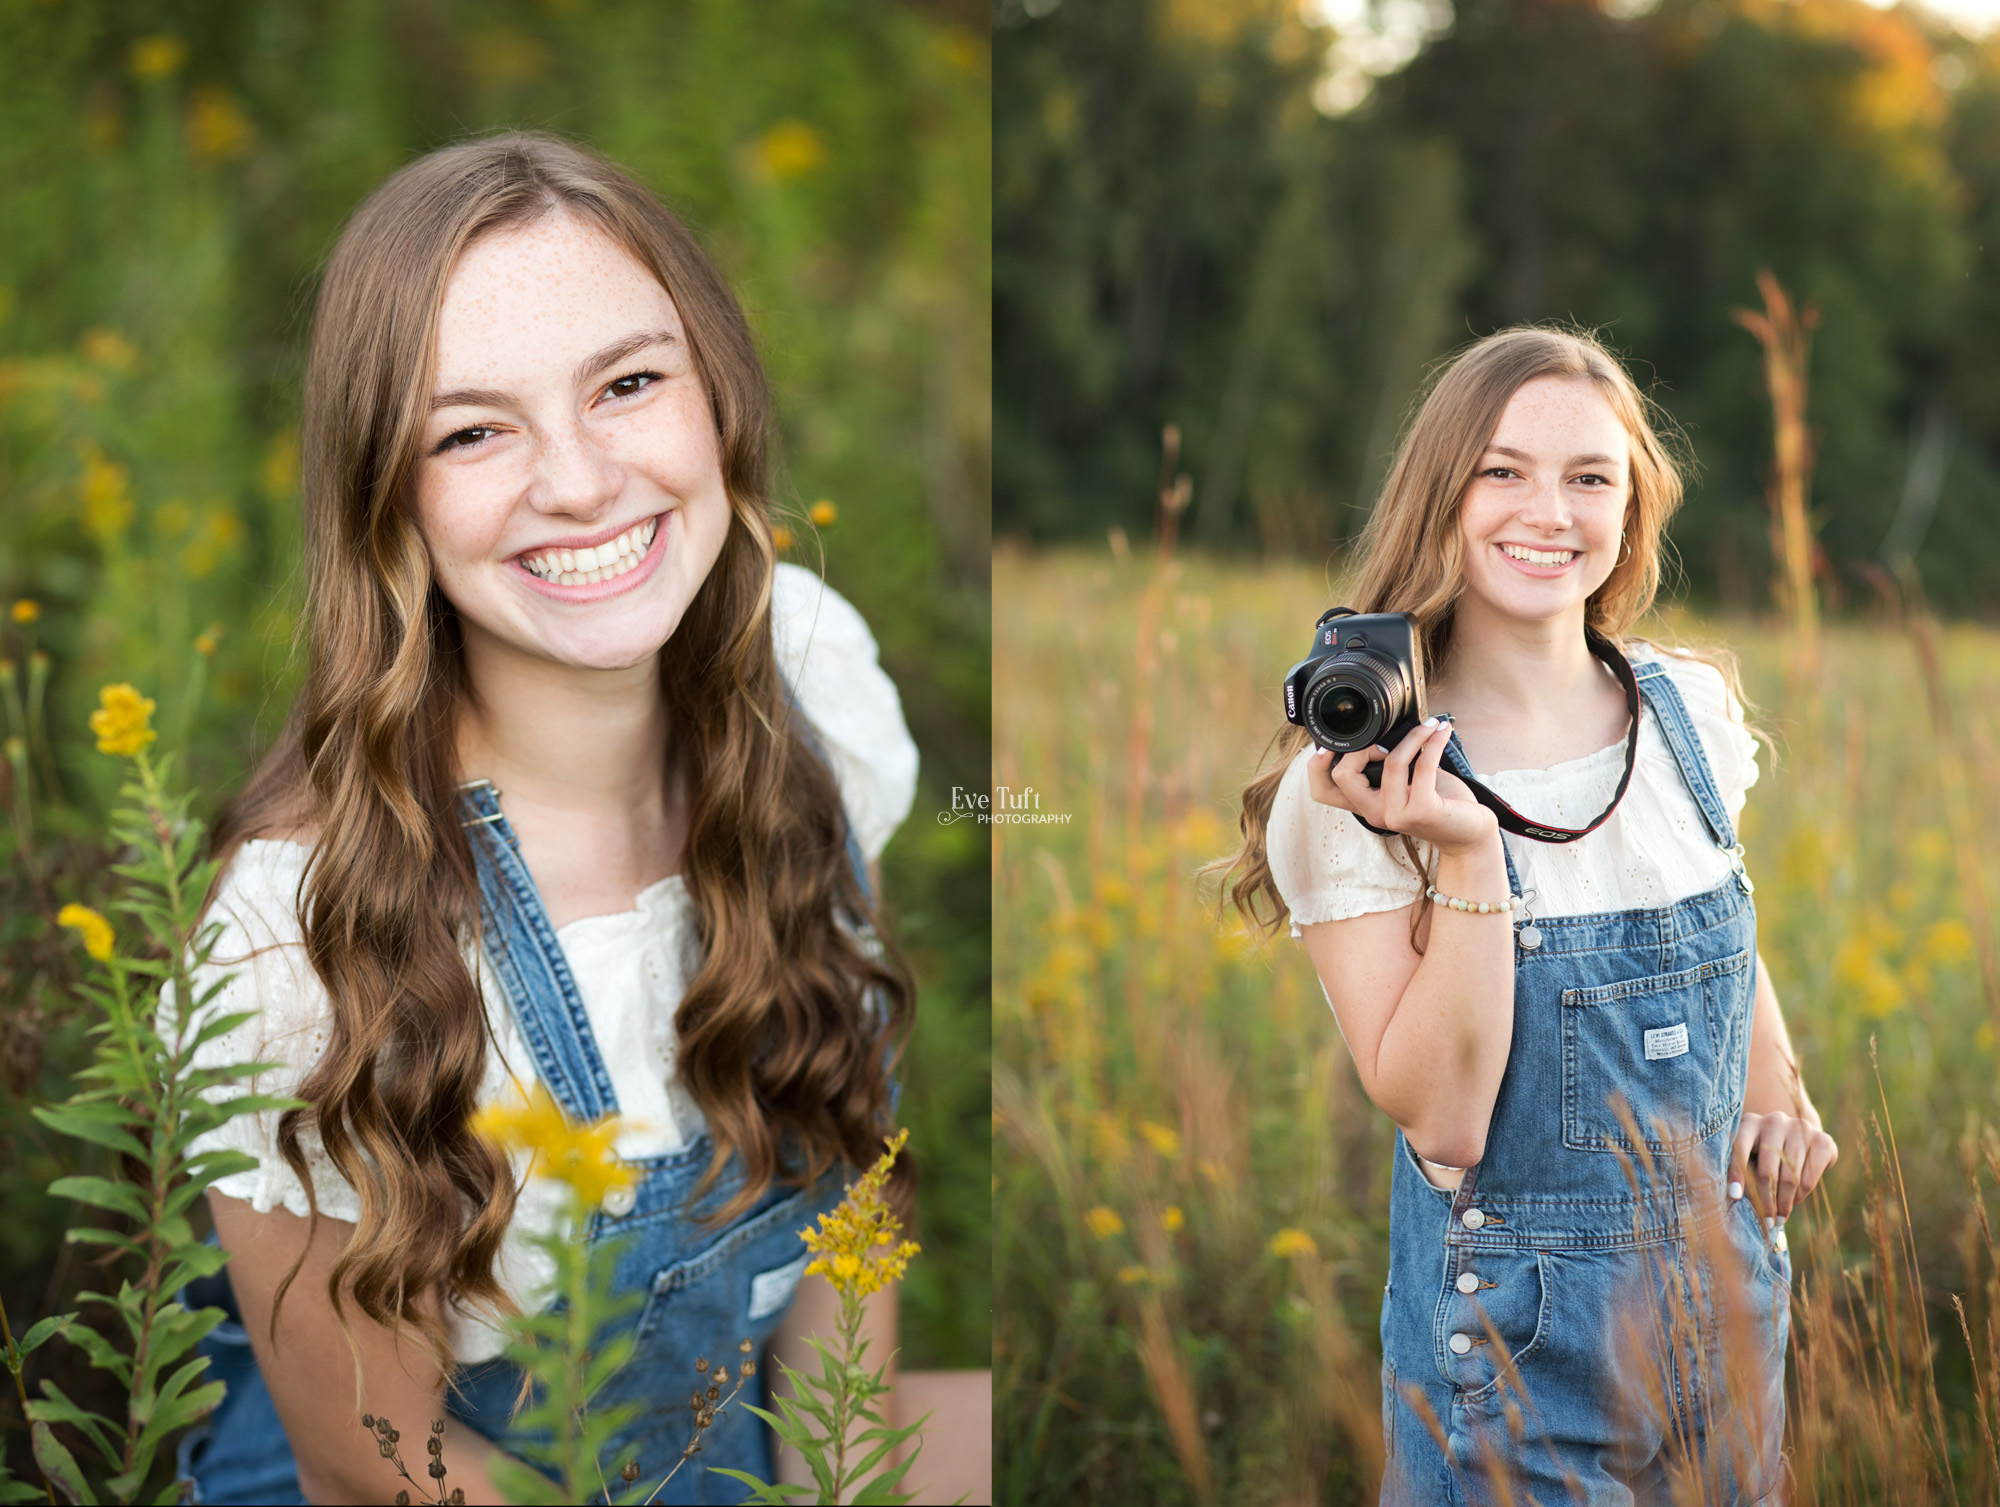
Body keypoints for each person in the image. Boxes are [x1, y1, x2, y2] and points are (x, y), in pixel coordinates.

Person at [163, 132, 948, 1505]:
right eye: (471, 429)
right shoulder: (301, 933)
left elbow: (848, 1225)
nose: (580, 481)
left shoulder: (811, 682)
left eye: (630, 383)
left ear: (720, 396)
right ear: (384, 494)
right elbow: (373, 1465)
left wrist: (844, 1476)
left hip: (718, 1446)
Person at [1218, 327, 1837, 1504]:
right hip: (1517, 1353)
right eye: (1500, 471)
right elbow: (1445, 1121)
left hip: (1731, 1311)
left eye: (1587, 477)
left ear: (1630, 507)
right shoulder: (1354, 787)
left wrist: (1778, 1096)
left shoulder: (1686, 714)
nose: (1545, 511)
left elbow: (1720, 933)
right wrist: (1465, 850)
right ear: (1439, 491)